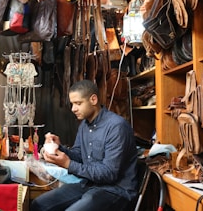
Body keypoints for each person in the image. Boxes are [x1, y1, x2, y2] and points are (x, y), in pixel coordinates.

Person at [31, 80, 139, 211]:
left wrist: (68, 164)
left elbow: (109, 173)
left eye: (78, 103)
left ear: (93, 100)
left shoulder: (117, 127)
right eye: (72, 104)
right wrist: (58, 148)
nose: (73, 109)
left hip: (116, 191)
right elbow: (80, 155)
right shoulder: (84, 125)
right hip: (90, 185)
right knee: (39, 204)